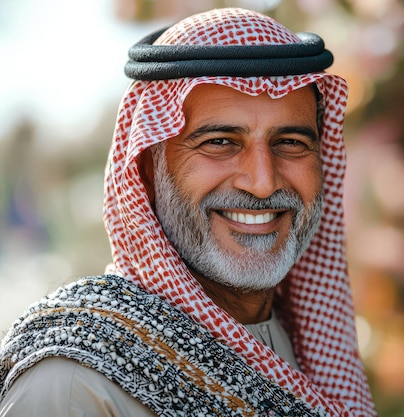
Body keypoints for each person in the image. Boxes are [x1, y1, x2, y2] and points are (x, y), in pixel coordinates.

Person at [0, 7, 377, 417]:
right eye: (220, 142)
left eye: (290, 142)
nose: (264, 182)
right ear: (147, 168)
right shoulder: (77, 381)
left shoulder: (313, 358)